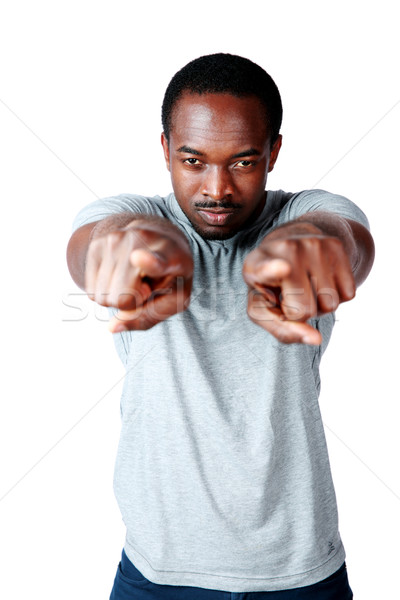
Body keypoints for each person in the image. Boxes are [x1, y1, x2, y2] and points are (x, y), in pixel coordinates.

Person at [67, 53, 374, 599]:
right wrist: (125, 252)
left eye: (242, 162)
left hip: (301, 572)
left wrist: (312, 252)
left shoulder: (306, 211)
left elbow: (345, 240)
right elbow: (92, 246)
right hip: (157, 572)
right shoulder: (135, 213)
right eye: (192, 160)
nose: (217, 189)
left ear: (274, 152)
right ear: (164, 149)